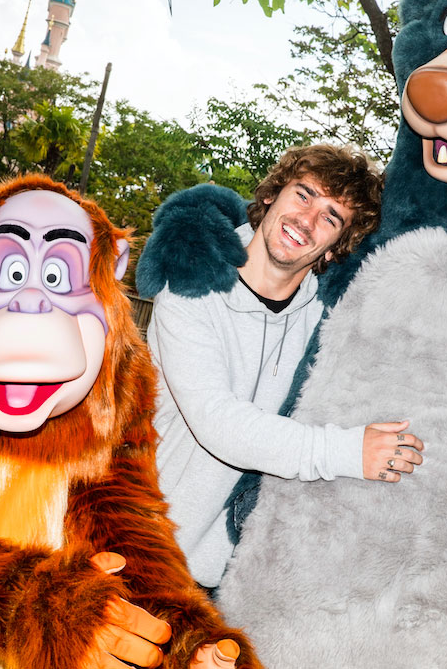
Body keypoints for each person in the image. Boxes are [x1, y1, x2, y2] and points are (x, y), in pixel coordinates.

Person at [146, 144, 426, 589]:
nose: (307, 220)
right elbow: (217, 422)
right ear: (271, 195)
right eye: (303, 195)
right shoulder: (192, 283)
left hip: (231, 578)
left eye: (331, 217)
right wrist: (349, 452)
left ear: (335, 248)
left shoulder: (325, 321)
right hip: (144, 547)